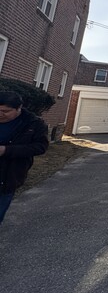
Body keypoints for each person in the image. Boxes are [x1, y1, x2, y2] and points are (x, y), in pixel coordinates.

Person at [0, 91, 49, 224]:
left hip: (7, 178)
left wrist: (6, 150)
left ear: (19, 108)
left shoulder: (33, 124)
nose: (0, 114)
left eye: (5, 111)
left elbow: (41, 147)